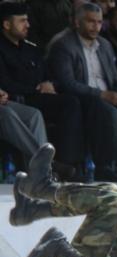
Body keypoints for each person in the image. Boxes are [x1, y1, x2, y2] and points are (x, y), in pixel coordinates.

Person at [47, 2, 117, 182]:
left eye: (99, 22)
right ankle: (104, 167)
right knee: (110, 113)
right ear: (77, 22)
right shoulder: (64, 45)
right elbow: (68, 83)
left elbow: (115, 79)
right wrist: (102, 95)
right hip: (83, 99)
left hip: (109, 97)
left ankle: (111, 161)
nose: (96, 26)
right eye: (90, 22)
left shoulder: (104, 44)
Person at [0, 2, 84, 175]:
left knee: (40, 113)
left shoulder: (31, 49)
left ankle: (42, 172)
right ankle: (47, 165)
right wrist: (35, 88)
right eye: (22, 21)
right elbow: (6, 83)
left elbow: (48, 74)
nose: (28, 25)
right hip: (15, 98)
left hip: (29, 98)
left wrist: (50, 84)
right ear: (6, 25)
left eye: (28, 20)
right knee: (10, 113)